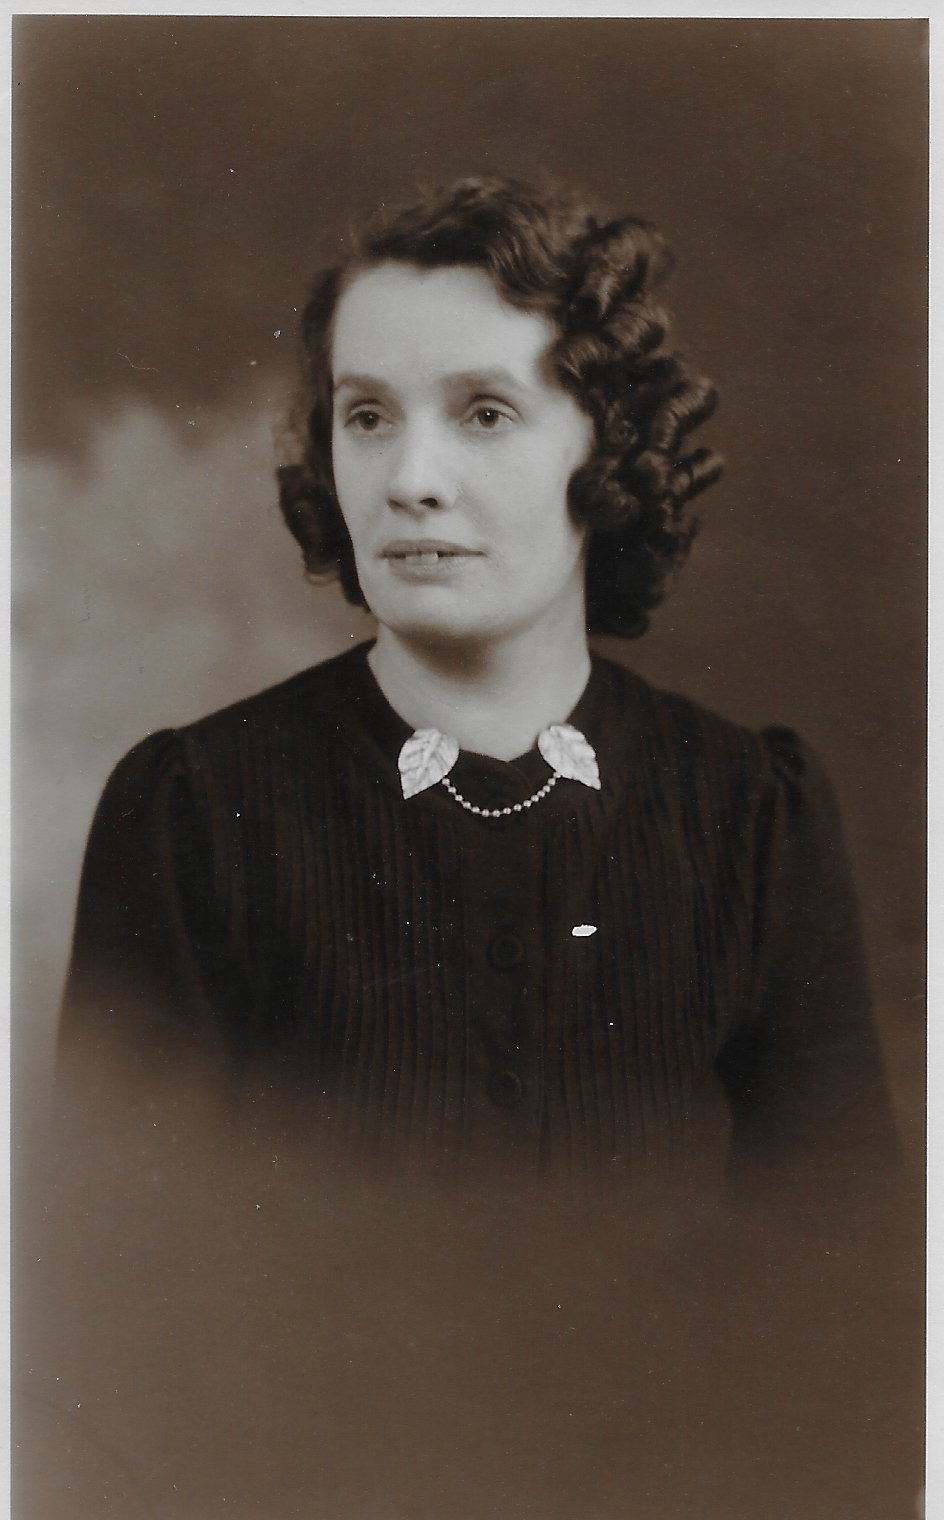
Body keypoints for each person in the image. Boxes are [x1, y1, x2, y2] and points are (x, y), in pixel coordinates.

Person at [48, 174, 919, 1520]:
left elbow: (848, 1306)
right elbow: (108, 1343)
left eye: (485, 413)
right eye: (367, 416)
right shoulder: (195, 814)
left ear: (606, 451)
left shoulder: (752, 815)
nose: (410, 479)